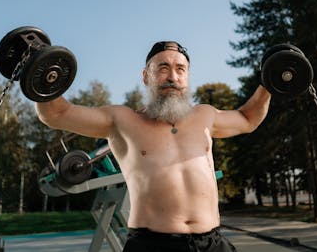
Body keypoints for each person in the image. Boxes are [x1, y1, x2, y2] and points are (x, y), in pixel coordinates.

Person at [35, 41, 271, 252]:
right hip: (152, 244)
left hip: (211, 243)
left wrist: (269, 82)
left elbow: (248, 119)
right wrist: (40, 70)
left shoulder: (205, 115)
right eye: (163, 68)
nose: (172, 77)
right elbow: (56, 114)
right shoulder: (122, 120)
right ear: (146, 76)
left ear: (187, 78)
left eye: (180, 69)